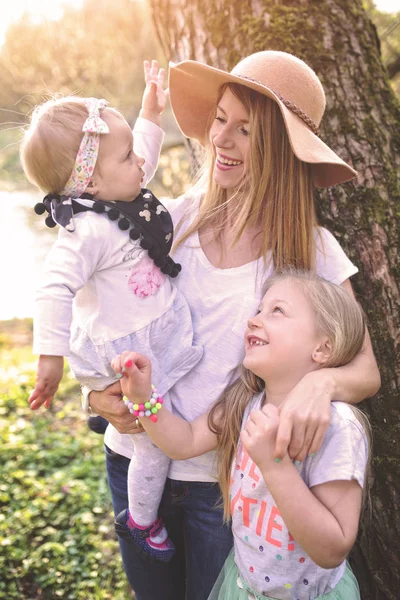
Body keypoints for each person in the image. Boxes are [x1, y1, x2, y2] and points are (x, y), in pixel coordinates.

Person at [88, 51, 381, 600]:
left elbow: (365, 369)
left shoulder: (310, 249)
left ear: (282, 148)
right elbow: (104, 320)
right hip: (133, 464)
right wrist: (96, 397)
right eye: (220, 119)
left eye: (246, 130)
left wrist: (323, 383)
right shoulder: (168, 222)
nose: (222, 140)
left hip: (223, 490)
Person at [20, 61, 202, 563]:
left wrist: (148, 109)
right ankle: (143, 520)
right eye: (127, 158)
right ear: (91, 183)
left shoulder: (119, 186)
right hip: (130, 350)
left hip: (151, 329)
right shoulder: (85, 231)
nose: (142, 161)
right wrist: (49, 357)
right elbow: (53, 287)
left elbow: (138, 147)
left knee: (162, 428)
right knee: (154, 442)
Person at [112, 270, 371, 600]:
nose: (254, 319)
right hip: (243, 587)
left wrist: (274, 465)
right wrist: (142, 398)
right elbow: (184, 441)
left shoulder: (338, 426)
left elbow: (332, 548)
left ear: (322, 347)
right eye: (259, 309)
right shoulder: (246, 402)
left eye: (276, 311)